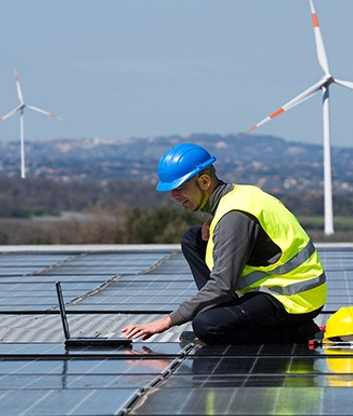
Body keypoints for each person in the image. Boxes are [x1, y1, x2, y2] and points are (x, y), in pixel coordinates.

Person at [122, 143, 327, 344]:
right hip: (278, 290)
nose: (174, 197)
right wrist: (213, 226)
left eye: (180, 188)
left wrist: (168, 321)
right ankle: (221, 311)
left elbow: (222, 286)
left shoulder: (234, 217)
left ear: (204, 182)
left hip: (294, 299)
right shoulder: (236, 196)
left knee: (207, 326)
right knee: (192, 238)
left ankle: (298, 332)